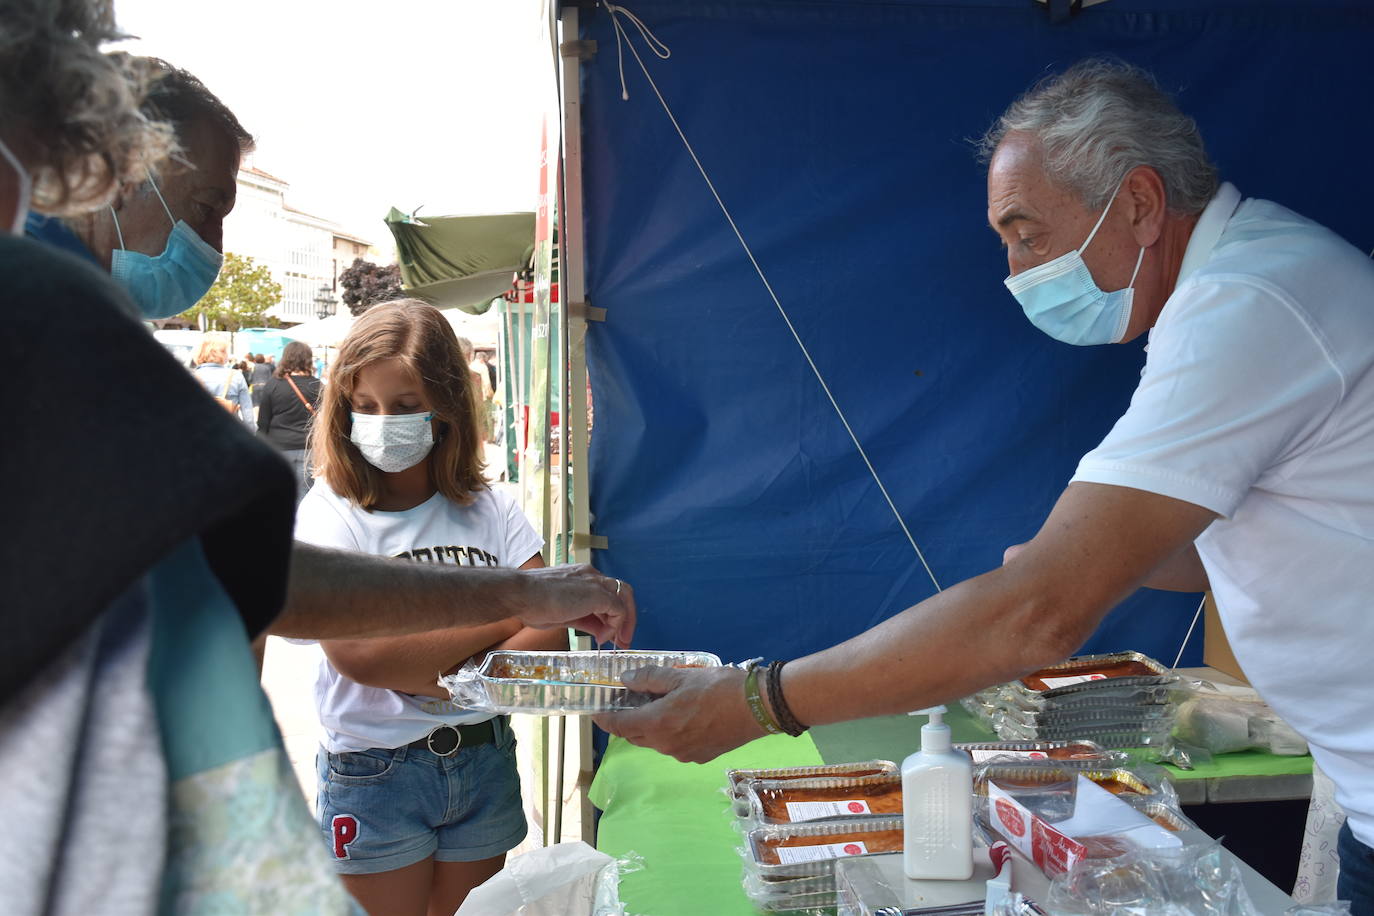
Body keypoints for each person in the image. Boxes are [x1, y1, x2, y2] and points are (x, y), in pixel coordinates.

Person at [598, 58, 1374, 911]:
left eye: (1028, 232)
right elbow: (1218, 549)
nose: (1013, 268)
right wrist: (1081, 560)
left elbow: (1040, 616)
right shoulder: (1244, 280)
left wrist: (760, 699)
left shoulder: (1247, 305)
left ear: (1142, 204)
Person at [0, 19, 633, 913]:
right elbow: (276, 586)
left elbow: (237, 585)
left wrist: (521, 602)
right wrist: (517, 601)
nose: (212, 239)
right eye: (208, 203)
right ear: (109, 164)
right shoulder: (48, 299)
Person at [294, 299, 567, 915]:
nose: (383, 423)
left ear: (444, 407)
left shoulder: (488, 507)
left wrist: (439, 666)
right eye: (365, 407)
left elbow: (552, 634)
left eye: (406, 406)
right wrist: (507, 613)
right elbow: (362, 656)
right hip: (374, 773)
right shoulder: (330, 512)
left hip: (482, 759)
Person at [258, 338, 322, 502]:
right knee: (305, 496)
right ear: (307, 359)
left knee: (280, 495)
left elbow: (263, 422)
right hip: (309, 447)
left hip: (278, 447)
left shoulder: (273, 384)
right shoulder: (318, 385)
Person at [191, 333, 254, 423]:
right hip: (229, 431)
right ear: (223, 353)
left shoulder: (192, 377)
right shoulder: (236, 376)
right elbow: (248, 416)